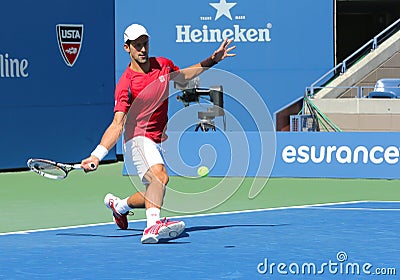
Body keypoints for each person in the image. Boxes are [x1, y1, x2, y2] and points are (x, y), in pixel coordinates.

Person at [81, 23, 236, 244]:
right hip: (137, 139)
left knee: (154, 190)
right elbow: (117, 124)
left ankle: (119, 206)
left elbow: (183, 77)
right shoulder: (126, 84)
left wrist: (212, 60)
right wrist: (97, 155)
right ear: (127, 48)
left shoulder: (163, 65)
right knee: (160, 176)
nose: (143, 49)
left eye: (145, 44)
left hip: (157, 139)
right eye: (137, 46)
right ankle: (152, 226)